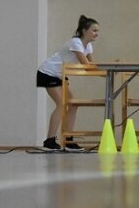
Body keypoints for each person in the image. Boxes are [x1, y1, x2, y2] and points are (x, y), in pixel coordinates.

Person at [36, 15, 99, 151]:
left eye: (97, 31)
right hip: (48, 72)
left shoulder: (88, 47)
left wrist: (109, 72)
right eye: (94, 30)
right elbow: (85, 64)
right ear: (84, 30)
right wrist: (102, 70)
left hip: (60, 75)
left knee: (73, 104)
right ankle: (49, 141)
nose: (96, 34)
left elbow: (91, 67)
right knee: (62, 104)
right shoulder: (75, 42)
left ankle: (69, 140)